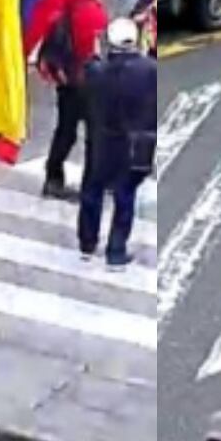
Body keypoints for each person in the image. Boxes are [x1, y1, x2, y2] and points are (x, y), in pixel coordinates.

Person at [78, 18, 156, 268]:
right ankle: (116, 251)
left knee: (92, 191)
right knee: (125, 196)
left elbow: (85, 95)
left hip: (102, 143)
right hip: (135, 145)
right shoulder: (150, 70)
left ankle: (87, 243)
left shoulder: (96, 72)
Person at [38, 0, 111, 201]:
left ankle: (53, 177)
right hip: (86, 83)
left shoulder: (69, 2)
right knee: (96, 136)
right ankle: (91, 186)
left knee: (66, 132)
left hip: (67, 81)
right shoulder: (92, 12)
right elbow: (93, 52)